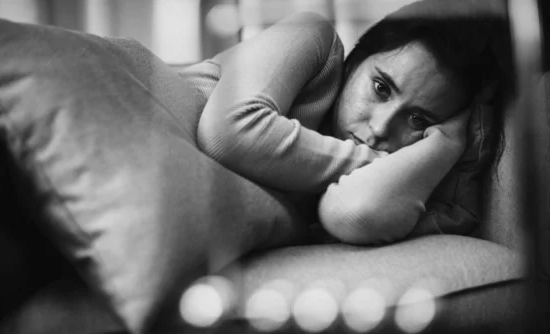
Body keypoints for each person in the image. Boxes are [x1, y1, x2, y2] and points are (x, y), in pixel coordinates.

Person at [179, 0, 511, 245]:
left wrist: (448, 142)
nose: (380, 128)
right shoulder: (312, 36)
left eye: (416, 118)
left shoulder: (394, 178)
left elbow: (355, 213)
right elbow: (228, 132)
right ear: (354, 64)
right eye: (381, 88)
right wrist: (377, 163)